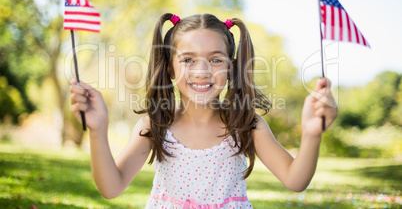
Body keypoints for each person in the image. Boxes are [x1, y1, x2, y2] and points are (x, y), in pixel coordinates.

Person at [70, 13, 337, 208]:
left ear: (231, 67)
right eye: (188, 60)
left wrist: (312, 134)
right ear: (170, 67)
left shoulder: (246, 124)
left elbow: (295, 180)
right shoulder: (155, 124)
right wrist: (97, 129)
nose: (202, 71)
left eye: (215, 59)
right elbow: (111, 187)